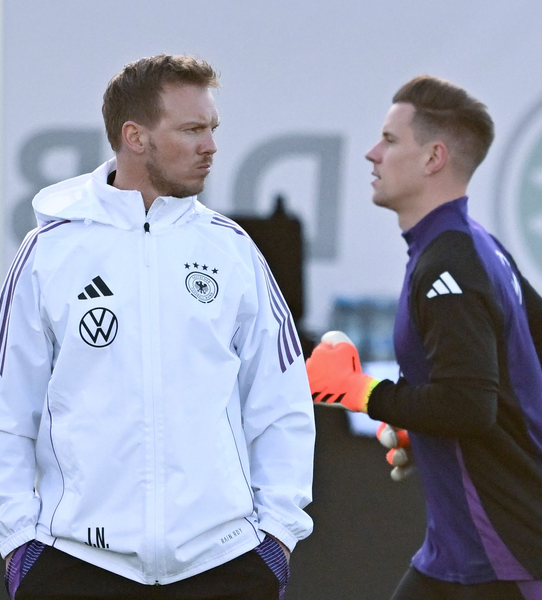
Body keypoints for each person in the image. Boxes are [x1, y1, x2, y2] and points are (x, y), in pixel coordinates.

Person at [0, 54, 314, 600]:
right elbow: (8, 409)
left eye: (212, 128)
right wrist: (16, 544)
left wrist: (277, 538)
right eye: (192, 129)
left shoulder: (232, 250)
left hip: (224, 566)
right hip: (74, 565)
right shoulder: (49, 251)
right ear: (135, 137)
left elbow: (282, 402)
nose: (210, 146)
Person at [307, 75, 542, 600]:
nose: (372, 154)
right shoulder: (469, 245)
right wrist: (427, 425)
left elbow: (468, 404)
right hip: (460, 553)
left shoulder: (451, 260)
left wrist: (361, 392)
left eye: (390, 140)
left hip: (511, 552)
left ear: (433, 157)